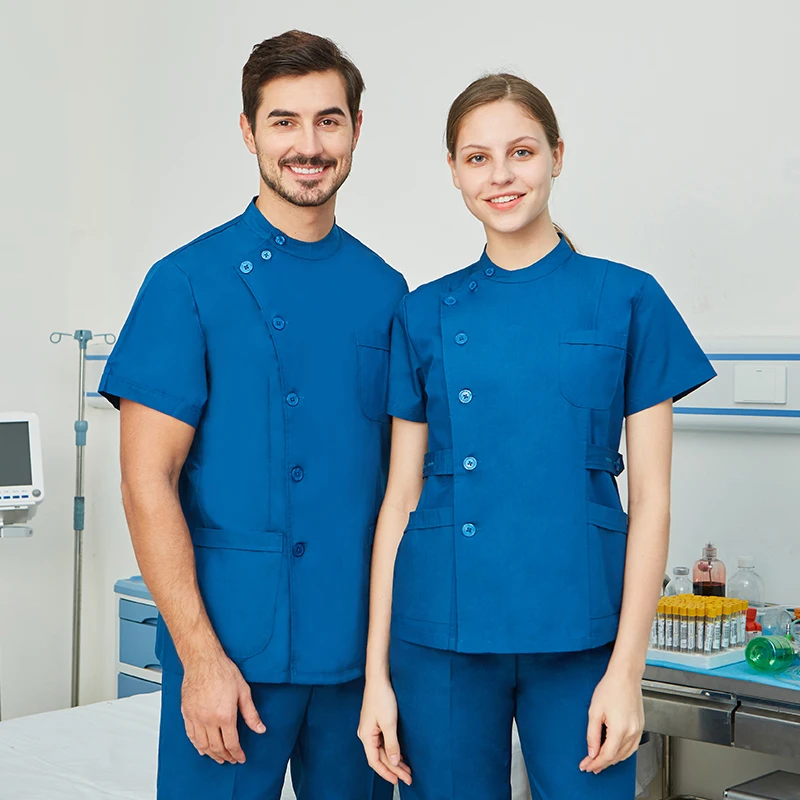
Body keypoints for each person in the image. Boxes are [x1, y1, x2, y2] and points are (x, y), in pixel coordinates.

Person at [358, 73, 716, 798]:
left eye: (520, 152)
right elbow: (398, 501)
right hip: (440, 637)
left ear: (556, 154)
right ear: (454, 172)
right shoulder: (423, 313)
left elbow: (651, 501)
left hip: (582, 634)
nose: (501, 175)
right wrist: (376, 679)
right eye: (477, 157)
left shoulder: (628, 298)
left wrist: (628, 671)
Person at [100, 30, 404, 800]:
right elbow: (147, 482)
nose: (309, 145)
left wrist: (388, 666)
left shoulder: (387, 291)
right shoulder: (186, 282)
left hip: (357, 660)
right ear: (249, 132)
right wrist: (199, 656)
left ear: (356, 130)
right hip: (231, 652)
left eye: (329, 120)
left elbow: (401, 488)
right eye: (284, 121)